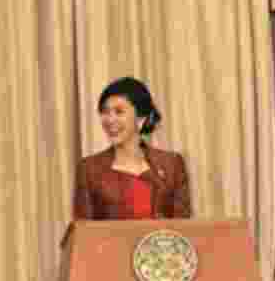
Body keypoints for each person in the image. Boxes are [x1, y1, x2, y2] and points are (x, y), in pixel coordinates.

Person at [73, 77, 191, 220]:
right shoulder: (88, 169)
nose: (110, 120)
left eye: (119, 112)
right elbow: (83, 232)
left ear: (141, 119)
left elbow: (183, 229)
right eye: (105, 112)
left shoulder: (172, 164)